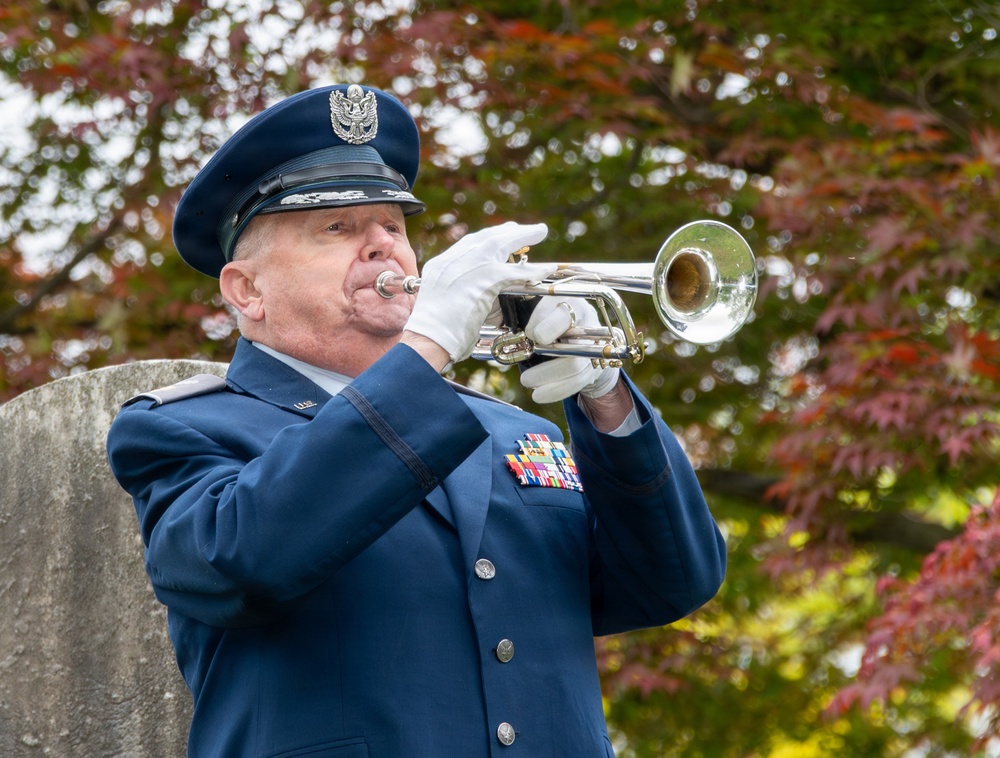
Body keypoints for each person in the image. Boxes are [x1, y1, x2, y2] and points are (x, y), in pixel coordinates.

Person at [106, 83, 726, 758]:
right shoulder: (184, 430)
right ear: (246, 291)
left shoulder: (518, 434)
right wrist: (425, 349)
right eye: (338, 228)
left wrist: (606, 398)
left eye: (395, 227)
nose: (384, 248)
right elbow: (244, 564)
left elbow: (673, 582)